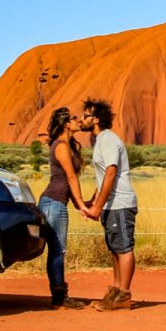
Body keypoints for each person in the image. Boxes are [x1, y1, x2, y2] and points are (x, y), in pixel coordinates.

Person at [81, 98, 137, 311]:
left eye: (85, 116)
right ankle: (116, 290)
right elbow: (103, 177)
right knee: (115, 248)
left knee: (123, 248)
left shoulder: (108, 139)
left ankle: (124, 294)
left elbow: (111, 173)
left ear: (95, 119)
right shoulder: (100, 140)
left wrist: (97, 207)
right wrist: (94, 201)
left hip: (120, 203)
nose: (82, 119)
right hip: (110, 205)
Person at [39, 106, 88, 309]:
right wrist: (81, 204)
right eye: (75, 119)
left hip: (56, 202)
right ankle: (59, 296)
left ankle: (58, 295)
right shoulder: (61, 146)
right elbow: (71, 177)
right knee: (58, 250)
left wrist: (78, 204)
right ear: (67, 124)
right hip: (53, 203)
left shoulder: (67, 145)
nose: (79, 121)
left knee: (57, 250)